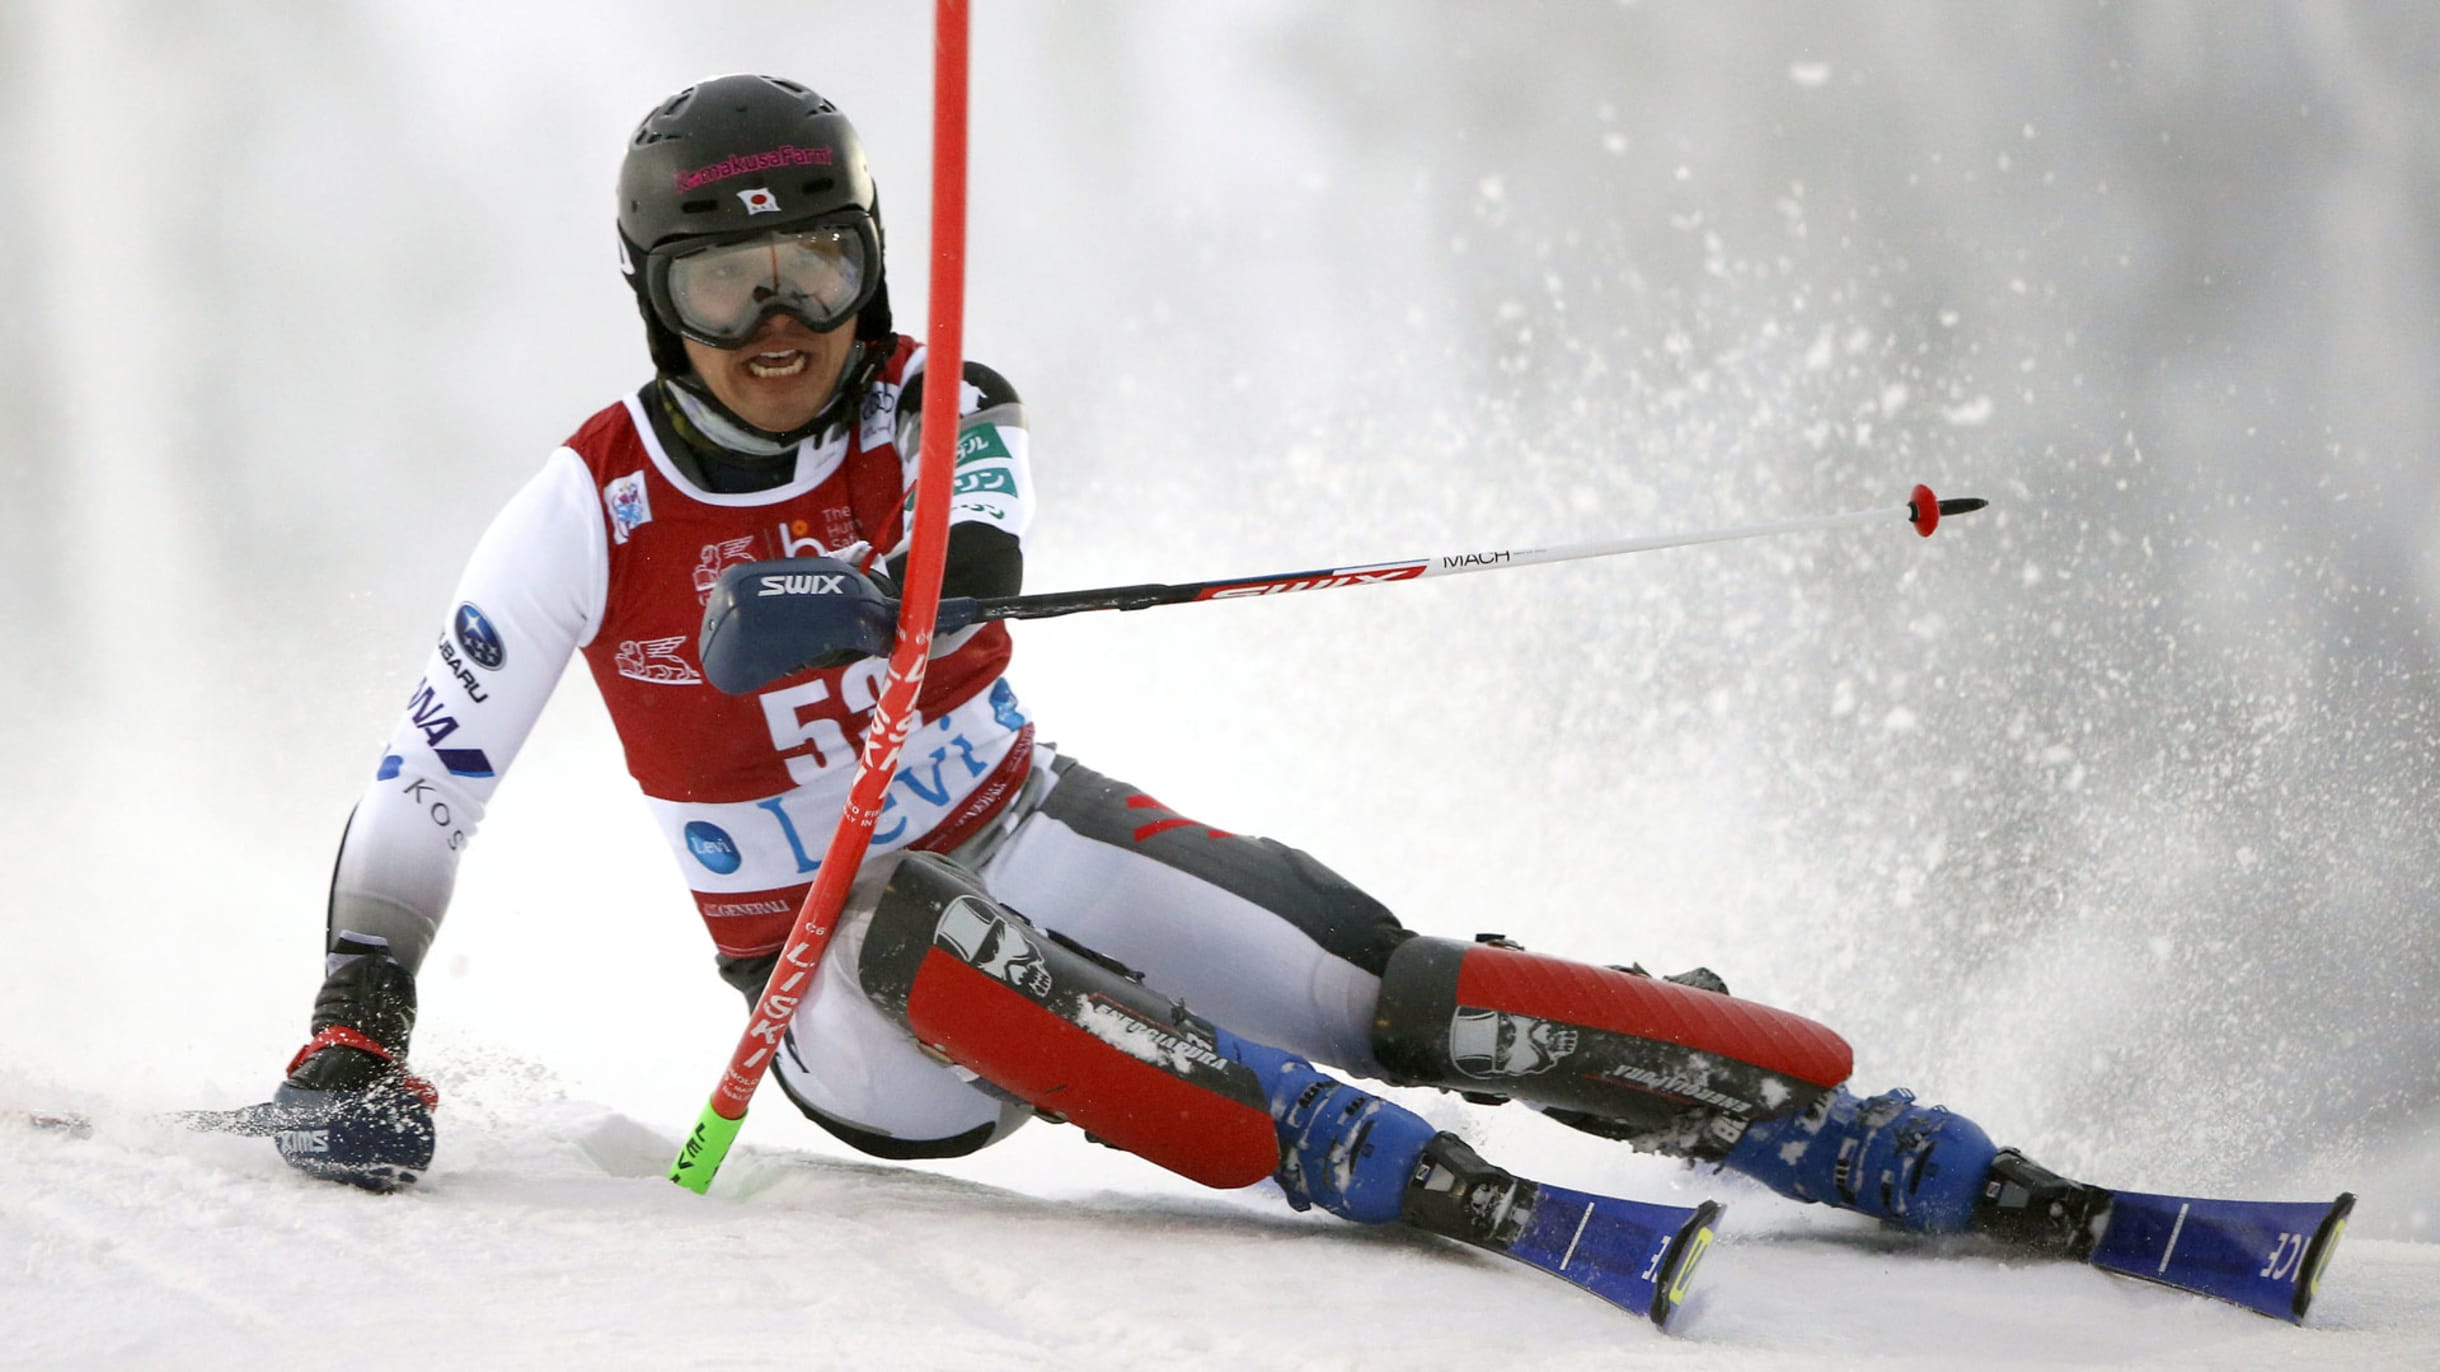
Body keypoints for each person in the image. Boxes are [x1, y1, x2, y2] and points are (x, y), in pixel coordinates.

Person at [273, 73, 2099, 1272]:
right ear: (650, 294)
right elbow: (432, 773)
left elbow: (988, 496)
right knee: (914, 924)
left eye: (820, 270)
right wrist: (364, 1009)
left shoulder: (929, 393)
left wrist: (927, 576)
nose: (782, 331)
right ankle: (1372, 1167)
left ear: (873, 266)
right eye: (725, 287)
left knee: (1386, 976)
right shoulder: (589, 502)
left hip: (1035, 832)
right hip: (841, 1000)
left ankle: (1841, 1132)